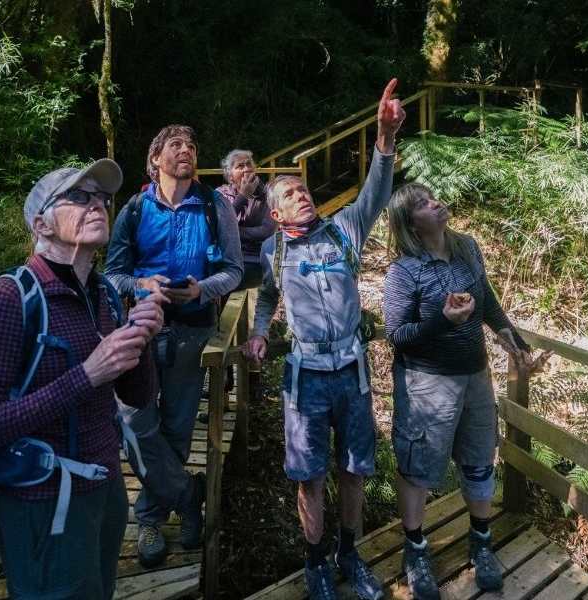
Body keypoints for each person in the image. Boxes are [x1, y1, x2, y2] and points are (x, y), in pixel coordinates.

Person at [0, 161, 165, 599]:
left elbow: (138, 396)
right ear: (41, 224)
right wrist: (86, 375)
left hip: (106, 491)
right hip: (43, 503)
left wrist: (142, 339)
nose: (98, 205)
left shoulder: (105, 292)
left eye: (102, 198)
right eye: (79, 197)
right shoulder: (9, 298)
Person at [244, 79, 405, 600]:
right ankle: (316, 564)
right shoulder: (274, 254)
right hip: (304, 381)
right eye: (291, 194)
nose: (303, 196)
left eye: (305, 190)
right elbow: (267, 298)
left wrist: (384, 138)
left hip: (353, 375)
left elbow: (376, 192)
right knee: (309, 476)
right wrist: (259, 332)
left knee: (355, 470)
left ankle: (350, 554)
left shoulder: (342, 231)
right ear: (276, 214)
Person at [382, 183, 541, 599]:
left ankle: (481, 541)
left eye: (431, 197)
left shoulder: (467, 246)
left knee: (478, 458)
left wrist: (515, 342)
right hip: (426, 383)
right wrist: (443, 321)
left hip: (475, 376)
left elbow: (485, 298)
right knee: (418, 467)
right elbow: (396, 334)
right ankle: (415, 551)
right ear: (410, 225)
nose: (434, 203)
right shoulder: (405, 270)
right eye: (421, 204)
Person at [105, 125, 243, 567]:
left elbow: (235, 270)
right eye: (176, 146)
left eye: (192, 146)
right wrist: (141, 283)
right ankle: (187, 494)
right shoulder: (134, 207)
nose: (186, 151)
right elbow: (112, 273)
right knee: (133, 422)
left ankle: (147, 517)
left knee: (179, 426)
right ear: (155, 159)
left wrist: (201, 289)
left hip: (192, 331)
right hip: (141, 330)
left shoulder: (212, 205)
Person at [216, 149, 276, 290]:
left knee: (228, 282)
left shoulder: (269, 194)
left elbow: (266, 231)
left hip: (255, 259)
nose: (247, 169)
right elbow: (219, 224)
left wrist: (232, 231)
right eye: (240, 166)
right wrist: (243, 196)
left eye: (249, 164)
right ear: (230, 176)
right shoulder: (220, 194)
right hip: (225, 258)